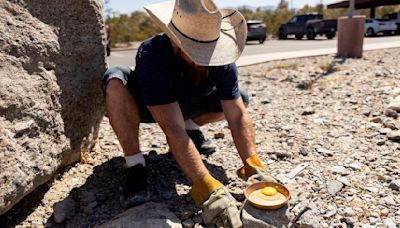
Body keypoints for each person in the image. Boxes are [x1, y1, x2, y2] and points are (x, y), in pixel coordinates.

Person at [102, 0, 274, 227]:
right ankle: (135, 165)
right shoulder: (153, 54)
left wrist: (253, 165)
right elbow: (171, 128)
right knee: (115, 80)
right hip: (149, 108)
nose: (207, 60)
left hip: (186, 105)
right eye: (198, 53)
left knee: (240, 97)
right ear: (176, 42)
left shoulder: (222, 58)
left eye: (209, 51)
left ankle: (192, 127)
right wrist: (206, 187)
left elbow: (237, 115)